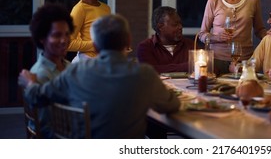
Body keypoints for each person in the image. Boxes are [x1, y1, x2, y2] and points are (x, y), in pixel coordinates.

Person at [18, 14, 180, 139]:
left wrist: (30, 83)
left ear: (95, 45)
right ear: (128, 41)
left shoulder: (75, 72)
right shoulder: (145, 74)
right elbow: (171, 105)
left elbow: (37, 96)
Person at [198, 0, 267, 76]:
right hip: (217, 61)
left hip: (244, 60)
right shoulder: (213, 1)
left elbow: (259, 30)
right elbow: (202, 34)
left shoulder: (253, 0)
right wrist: (217, 37)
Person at [28, 2, 75, 138]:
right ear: (42, 38)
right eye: (57, 35)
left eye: (67, 34)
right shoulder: (41, 75)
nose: (64, 40)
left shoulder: (69, 66)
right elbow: (47, 129)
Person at [137, 6, 194, 74]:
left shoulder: (190, 45)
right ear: (160, 26)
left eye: (180, 23)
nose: (180, 27)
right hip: (157, 85)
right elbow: (150, 71)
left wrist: (163, 68)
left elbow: (200, 68)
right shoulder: (145, 47)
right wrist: (186, 66)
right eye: (175, 24)